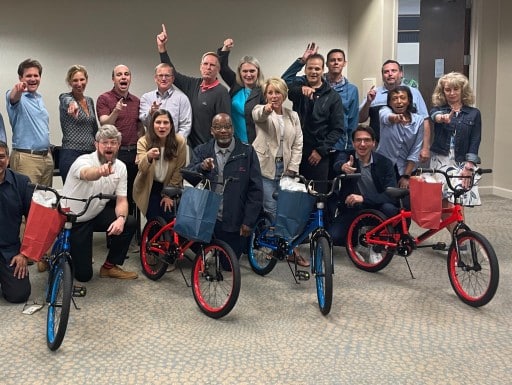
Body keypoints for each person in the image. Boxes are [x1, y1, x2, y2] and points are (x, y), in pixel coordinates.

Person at [61, 125, 138, 282]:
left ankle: (109, 267)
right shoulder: (83, 161)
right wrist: (99, 172)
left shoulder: (121, 168)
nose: (109, 146)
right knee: (83, 276)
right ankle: (56, 249)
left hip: (95, 213)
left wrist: (120, 219)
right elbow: (86, 174)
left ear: (118, 146)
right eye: (104, 142)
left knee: (129, 221)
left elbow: (122, 200)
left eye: (113, 142)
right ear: (96, 144)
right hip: (75, 219)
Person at [186, 113, 262, 258]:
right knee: (202, 254)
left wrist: (248, 221)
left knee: (228, 265)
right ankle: (207, 252)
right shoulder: (202, 150)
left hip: (233, 220)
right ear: (211, 131)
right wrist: (202, 167)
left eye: (227, 126)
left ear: (233, 129)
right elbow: (189, 176)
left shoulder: (247, 152)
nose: (223, 131)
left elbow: (256, 189)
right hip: (206, 217)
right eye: (218, 127)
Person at [252, 77, 308, 267]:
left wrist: (293, 167)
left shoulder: (293, 116)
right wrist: (267, 108)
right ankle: (276, 246)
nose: (274, 96)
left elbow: (298, 143)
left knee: (287, 209)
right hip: (265, 168)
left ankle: (286, 246)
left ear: (284, 95)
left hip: (286, 170)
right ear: (266, 95)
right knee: (271, 209)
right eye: (270, 92)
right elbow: (258, 115)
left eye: (277, 92)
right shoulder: (261, 111)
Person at [156, 24, 231, 149]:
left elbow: (224, 126)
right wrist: (162, 48)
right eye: (205, 64)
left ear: (218, 69)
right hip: (191, 148)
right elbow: (172, 73)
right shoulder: (193, 84)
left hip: (210, 148)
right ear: (200, 67)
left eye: (212, 65)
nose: (208, 67)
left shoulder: (221, 92)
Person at [328, 126, 399, 252]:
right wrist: (343, 167)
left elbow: (391, 194)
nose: (362, 144)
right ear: (353, 143)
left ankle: (379, 244)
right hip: (353, 208)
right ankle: (357, 237)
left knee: (390, 209)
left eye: (366, 140)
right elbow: (337, 163)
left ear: (374, 143)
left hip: (377, 206)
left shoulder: (385, 163)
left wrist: (364, 198)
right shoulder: (346, 156)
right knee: (334, 236)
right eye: (358, 140)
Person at [282, 43, 359, 155]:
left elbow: (353, 121)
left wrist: (351, 148)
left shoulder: (351, 90)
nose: (336, 62)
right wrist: (303, 60)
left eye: (339, 60)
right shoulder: (312, 81)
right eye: (332, 60)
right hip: (313, 144)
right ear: (327, 65)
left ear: (344, 63)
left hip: (339, 145)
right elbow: (285, 80)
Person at [430, 72, 482, 223]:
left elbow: (475, 140)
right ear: (443, 92)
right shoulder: (437, 110)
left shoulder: (474, 114)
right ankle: (460, 239)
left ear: (462, 90)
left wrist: (469, 165)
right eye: (448, 90)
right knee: (442, 204)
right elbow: (435, 116)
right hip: (441, 159)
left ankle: (461, 242)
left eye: (456, 89)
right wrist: (442, 118)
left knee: (458, 203)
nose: (452, 93)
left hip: (462, 161)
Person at [287, 53, 344, 192]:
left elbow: (337, 129)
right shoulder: (298, 89)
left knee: (318, 196)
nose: (313, 72)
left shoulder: (333, 96)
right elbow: (287, 86)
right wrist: (301, 90)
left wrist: (320, 151)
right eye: (310, 68)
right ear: (305, 70)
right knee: (296, 195)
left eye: (317, 69)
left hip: (319, 155)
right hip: (296, 152)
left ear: (322, 70)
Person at [358, 59, 431, 163]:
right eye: (386, 72)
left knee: (405, 178)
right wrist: (368, 102)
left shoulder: (414, 93)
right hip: (379, 150)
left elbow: (425, 120)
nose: (390, 74)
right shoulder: (374, 94)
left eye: (393, 71)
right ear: (382, 75)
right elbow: (361, 119)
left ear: (401, 73)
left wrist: (425, 148)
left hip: (407, 151)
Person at [96, 64, 144, 215]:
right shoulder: (104, 99)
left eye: (126, 74)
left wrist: (140, 151)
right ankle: (114, 233)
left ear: (130, 79)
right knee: (113, 196)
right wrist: (116, 111)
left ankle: (131, 233)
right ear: (113, 79)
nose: (123, 77)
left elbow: (140, 129)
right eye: (119, 74)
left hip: (133, 154)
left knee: (131, 195)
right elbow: (104, 124)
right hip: (114, 155)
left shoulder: (136, 101)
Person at [133, 109, 187, 222]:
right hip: (149, 186)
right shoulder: (143, 141)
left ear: (171, 125)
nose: (162, 126)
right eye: (158, 122)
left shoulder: (180, 141)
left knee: (169, 218)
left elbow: (179, 170)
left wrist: (168, 194)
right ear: (152, 125)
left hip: (170, 185)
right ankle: (152, 239)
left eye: (166, 122)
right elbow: (141, 169)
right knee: (154, 221)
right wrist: (148, 156)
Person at [5, 58, 53, 186]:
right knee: (27, 200)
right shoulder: (16, 96)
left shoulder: (39, 98)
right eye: (28, 76)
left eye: (36, 75)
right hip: (26, 158)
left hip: (46, 158)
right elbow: (13, 96)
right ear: (21, 78)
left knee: (45, 201)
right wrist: (18, 89)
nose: (33, 79)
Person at [0, 141, 32, 303]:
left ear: (8, 158)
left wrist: (24, 254)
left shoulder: (22, 183)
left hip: (10, 250)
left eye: (1, 157)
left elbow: (33, 222)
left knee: (19, 295)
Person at [218, 38, 265, 144]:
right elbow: (222, 67)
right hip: (232, 141)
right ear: (240, 72)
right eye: (245, 71)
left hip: (254, 143)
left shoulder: (264, 91)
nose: (248, 75)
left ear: (258, 72)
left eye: (252, 71)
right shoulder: (236, 85)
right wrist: (225, 49)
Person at [377, 86, 424, 188]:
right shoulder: (384, 111)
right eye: (394, 98)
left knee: (407, 201)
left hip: (407, 168)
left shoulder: (419, 120)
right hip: (384, 166)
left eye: (403, 98)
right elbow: (386, 117)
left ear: (409, 101)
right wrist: (396, 117)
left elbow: (415, 151)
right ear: (389, 103)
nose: (399, 101)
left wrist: (406, 176)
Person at [59, 64, 99, 182]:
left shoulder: (89, 101)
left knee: (90, 193)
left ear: (86, 80)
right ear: (69, 82)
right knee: (72, 194)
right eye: (75, 80)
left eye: (82, 79)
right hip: (71, 153)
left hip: (90, 153)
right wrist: (73, 104)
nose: (79, 83)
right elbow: (67, 101)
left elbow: (94, 127)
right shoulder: (65, 97)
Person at [139, 63, 192, 139]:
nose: (163, 79)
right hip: (152, 145)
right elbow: (144, 123)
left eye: (167, 75)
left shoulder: (182, 99)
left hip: (174, 146)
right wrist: (150, 113)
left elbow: (186, 126)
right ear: (155, 78)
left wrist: (175, 143)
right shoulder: (146, 98)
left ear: (173, 78)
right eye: (160, 75)